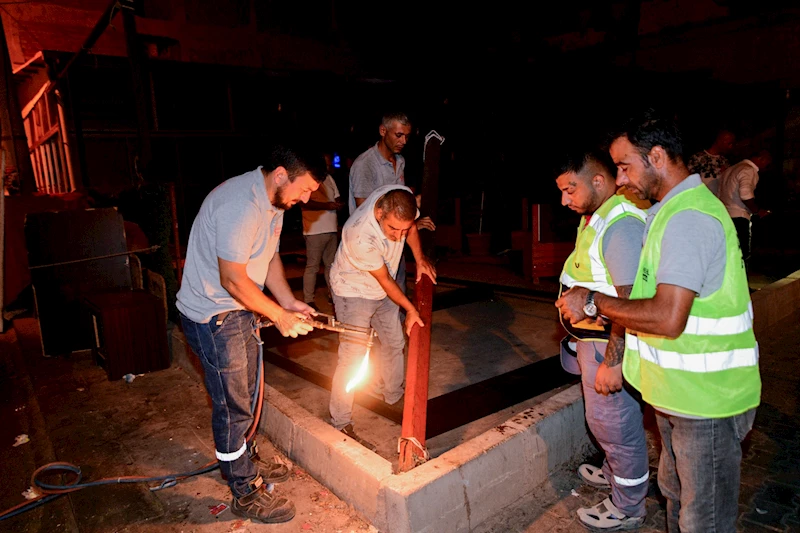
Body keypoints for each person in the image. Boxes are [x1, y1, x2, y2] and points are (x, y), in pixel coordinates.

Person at [557, 110, 760, 533]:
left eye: (625, 165)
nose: (621, 177)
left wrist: (593, 300)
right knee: (675, 498)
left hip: (708, 403)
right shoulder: (668, 212)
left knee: (702, 521)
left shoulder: (688, 218)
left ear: (658, 156)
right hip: (679, 397)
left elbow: (666, 316)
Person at [176, 146, 327, 524]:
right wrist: (276, 315)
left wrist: (288, 302)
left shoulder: (273, 204)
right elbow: (232, 277)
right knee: (233, 406)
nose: (307, 199)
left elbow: (268, 257)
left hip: (241, 307)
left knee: (248, 392)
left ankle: (244, 457)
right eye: (305, 189)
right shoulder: (240, 204)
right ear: (280, 174)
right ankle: (243, 489)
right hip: (212, 315)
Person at [555, 149, 649, 531]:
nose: (564, 200)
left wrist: (613, 362)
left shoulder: (620, 224)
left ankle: (628, 505)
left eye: (569, 189)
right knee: (607, 423)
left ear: (597, 180)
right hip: (592, 338)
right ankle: (615, 472)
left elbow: (630, 303)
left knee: (615, 427)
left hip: (608, 344)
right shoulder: (597, 214)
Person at [328, 184, 436, 450]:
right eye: (392, 230)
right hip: (352, 290)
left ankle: (393, 396)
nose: (398, 237)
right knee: (352, 357)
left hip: (382, 288)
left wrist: (419, 259)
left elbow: (409, 228)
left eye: (403, 229)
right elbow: (387, 281)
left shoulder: (399, 198)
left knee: (395, 342)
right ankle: (340, 421)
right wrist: (410, 308)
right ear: (379, 213)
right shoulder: (358, 234)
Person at [348, 112, 436, 295]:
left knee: (396, 305)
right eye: (398, 135)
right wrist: (407, 225)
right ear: (383, 131)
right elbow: (364, 212)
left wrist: (411, 221)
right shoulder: (365, 164)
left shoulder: (400, 161)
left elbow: (399, 204)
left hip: (396, 246)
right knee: (373, 304)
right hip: (371, 248)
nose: (404, 141)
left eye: (407, 136)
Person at [301, 154, 343, 311]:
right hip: (314, 230)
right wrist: (329, 206)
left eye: (328, 163)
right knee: (312, 266)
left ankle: (333, 294)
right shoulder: (307, 179)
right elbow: (305, 204)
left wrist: (337, 204)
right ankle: (308, 299)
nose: (328, 166)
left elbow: (337, 197)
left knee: (331, 266)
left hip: (331, 228)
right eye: (325, 163)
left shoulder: (329, 178)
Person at [717, 150, 772, 263]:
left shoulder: (730, 169)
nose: (767, 165)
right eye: (768, 162)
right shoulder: (748, 169)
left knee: (727, 255)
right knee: (741, 256)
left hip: (724, 215)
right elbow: (745, 193)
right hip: (739, 216)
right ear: (762, 158)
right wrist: (757, 210)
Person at [687, 129, 735, 195]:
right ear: (720, 141)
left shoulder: (725, 161)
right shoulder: (697, 158)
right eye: (729, 143)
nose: (730, 147)